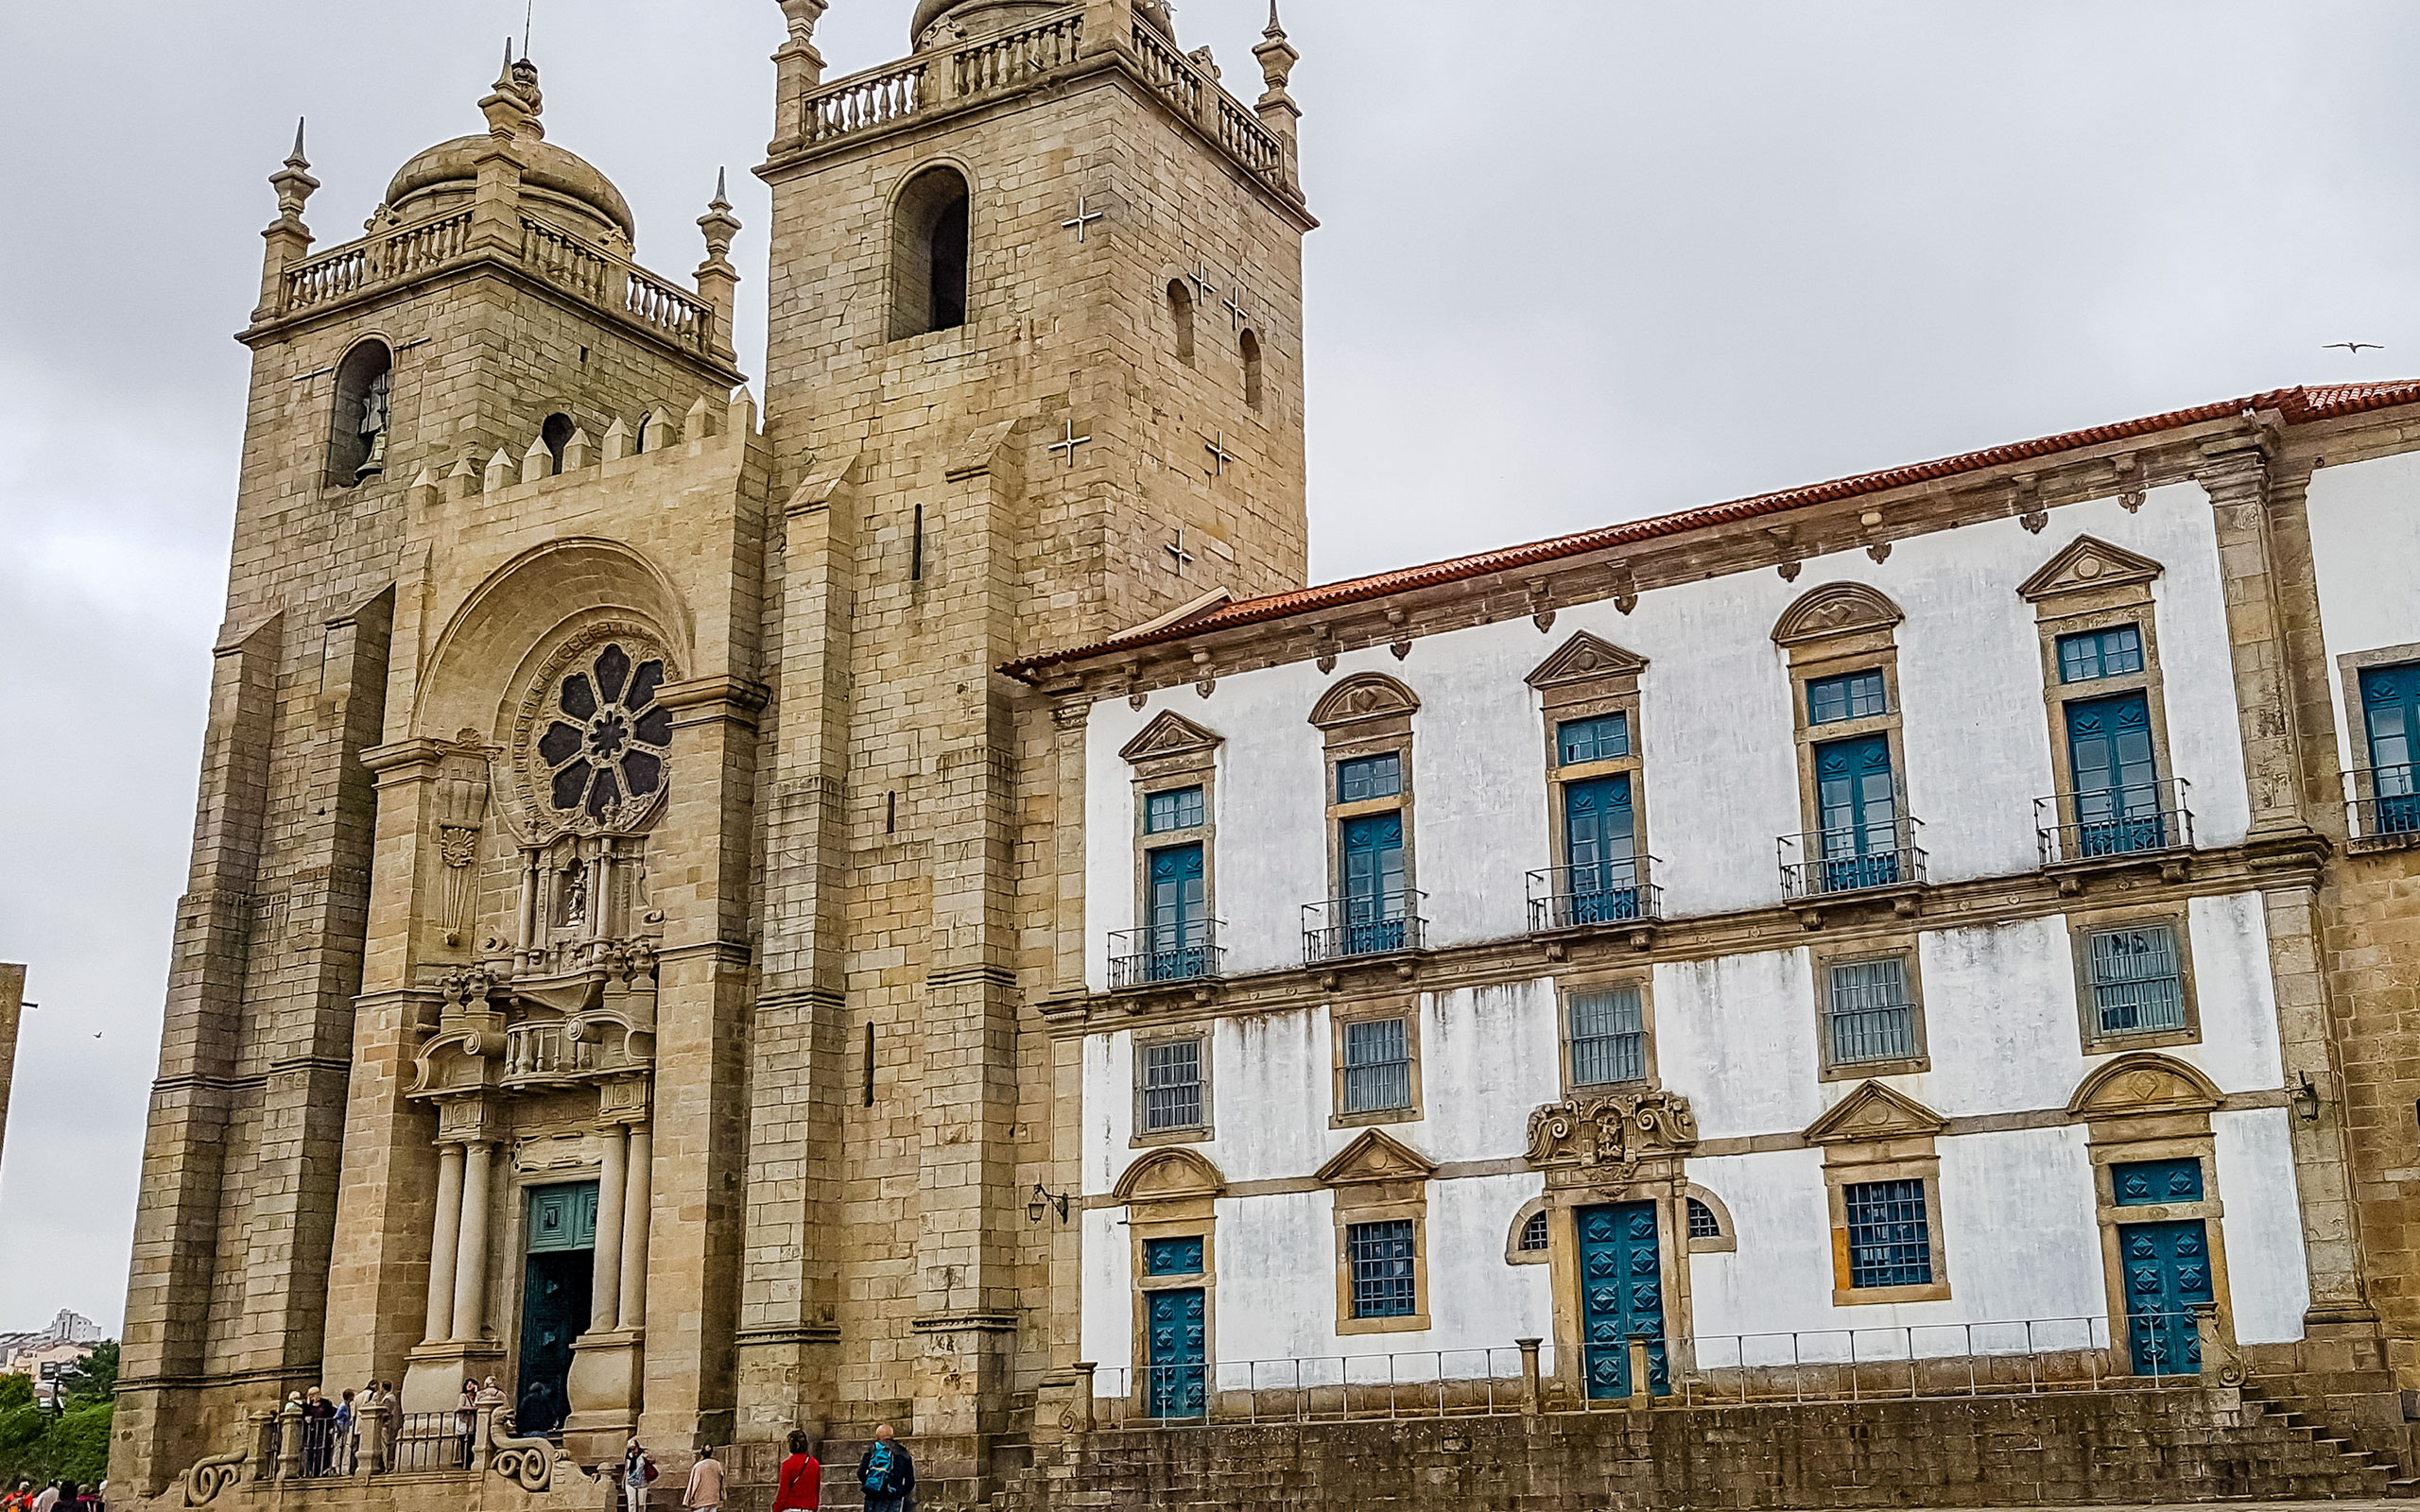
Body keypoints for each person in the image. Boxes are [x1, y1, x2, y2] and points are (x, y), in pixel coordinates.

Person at [856, 1427, 914, 1512]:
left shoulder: (872, 1450)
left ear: (877, 1437)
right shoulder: (902, 1452)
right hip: (893, 1497)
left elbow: (860, 1473)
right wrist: (899, 1492)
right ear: (892, 1436)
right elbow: (910, 1481)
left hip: (872, 1496)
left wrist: (871, 1484)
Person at [772, 1430, 821, 1512]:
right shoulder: (814, 1464)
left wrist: (777, 1509)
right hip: (809, 1508)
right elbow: (816, 1489)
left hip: (791, 1507)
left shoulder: (787, 1465)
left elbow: (783, 1492)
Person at [683, 1445, 725, 1512]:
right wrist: (723, 1495)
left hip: (700, 1500)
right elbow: (722, 1481)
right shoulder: (717, 1464)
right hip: (713, 1499)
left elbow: (693, 1484)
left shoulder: (698, 1466)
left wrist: (688, 1500)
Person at [620, 1438, 658, 1512]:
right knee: (631, 1503)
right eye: (630, 1449)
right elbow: (626, 1469)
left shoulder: (643, 1454)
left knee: (641, 1504)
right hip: (630, 1482)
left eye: (634, 1448)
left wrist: (646, 1458)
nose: (632, 1451)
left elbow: (653, 1460)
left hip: (642, 1482)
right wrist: (623, 1481)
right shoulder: (628, 1457)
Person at [454, 1380, 479, 1469]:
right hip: (465, 1424)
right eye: (468, 1384)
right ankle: (465, 1465)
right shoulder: (463, 1396)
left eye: (472, 1384)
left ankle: (471, 1463)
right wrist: (472, 1409)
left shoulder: (477, 1397)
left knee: (472, 1444)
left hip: (473, 1425)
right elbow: (459, 1407)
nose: (470, 1385)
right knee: (465, 1445)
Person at [333, 1390, 354, 1475]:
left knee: (343, 1447)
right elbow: (337, 1417)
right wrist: (339, 1428)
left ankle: (341, 1468)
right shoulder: (343, 1406)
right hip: (340, 1430)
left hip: (345, 1429)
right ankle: (336, 1468)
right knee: (338, 1448)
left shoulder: (347, 1405)